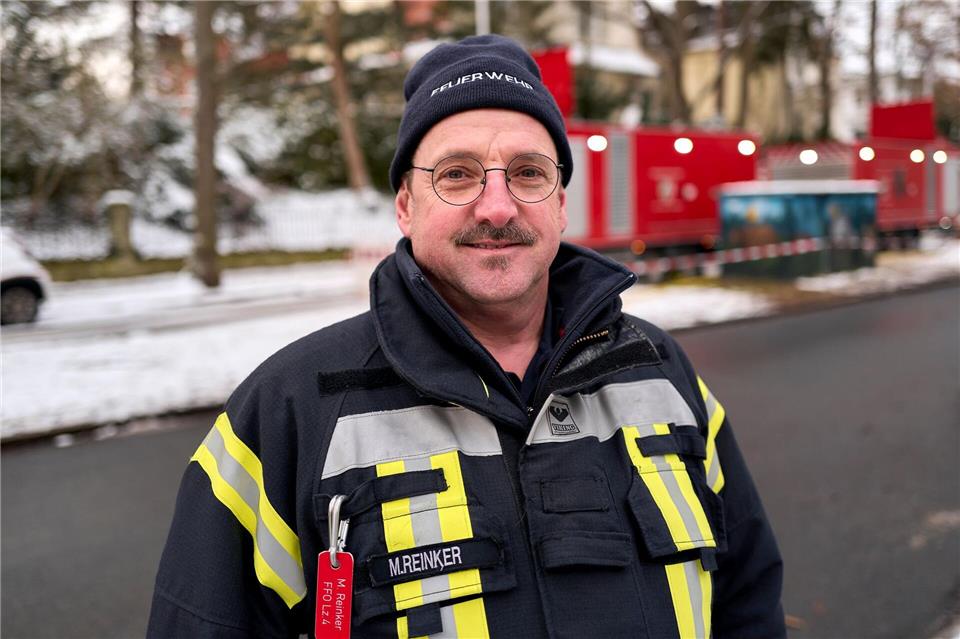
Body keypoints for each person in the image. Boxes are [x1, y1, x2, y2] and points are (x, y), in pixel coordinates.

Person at [147, 34, 784, 639]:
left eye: (529, 173)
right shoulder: (289, 412)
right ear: (405, 205)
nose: (498, 206)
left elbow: (746, 599)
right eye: (456, 174)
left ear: (561, 201)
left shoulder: (660, 371)